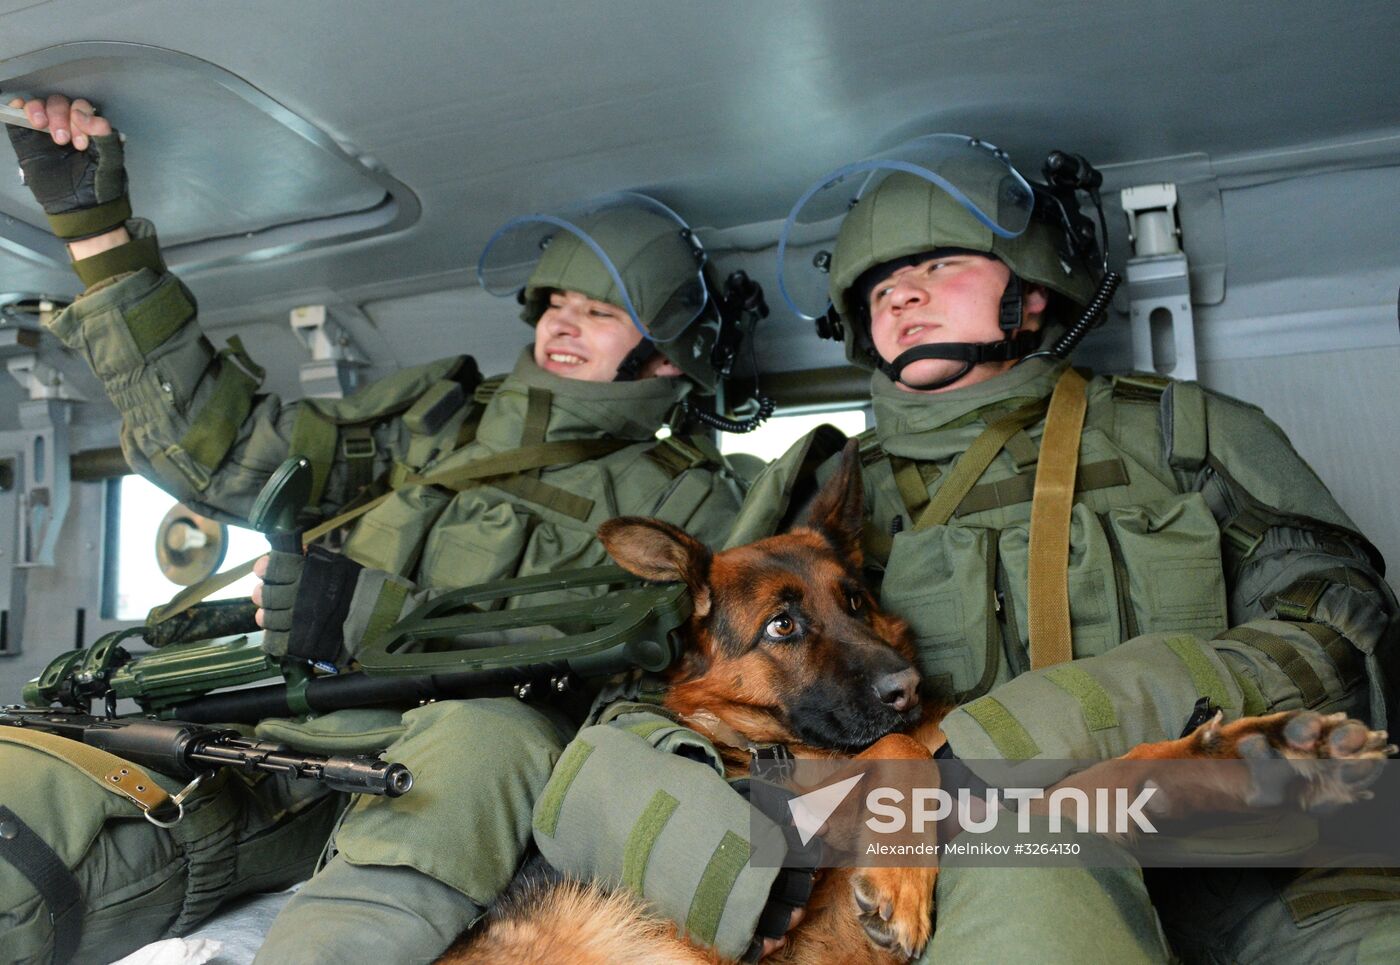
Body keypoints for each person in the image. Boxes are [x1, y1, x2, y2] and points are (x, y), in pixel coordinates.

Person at [530, 135, 1400, 962]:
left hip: (1249, 858)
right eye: (879, 288)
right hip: (964, 861)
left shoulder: (1180, 430)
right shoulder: (814, 488)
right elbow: (691, 689)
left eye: (939, 264)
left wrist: (1012, 738)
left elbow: (1337, 629)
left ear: (1030, 288)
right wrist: (746, 865)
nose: (903, 294)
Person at [0, 93, 773, 965]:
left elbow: (660, 684)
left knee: (487, 743)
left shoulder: (702, 505)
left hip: (448, 777)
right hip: (259, 720)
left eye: (598, 312)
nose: (560, 320)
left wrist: (378, 620)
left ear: (670, 351)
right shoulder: (437, 416)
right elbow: (228, 456)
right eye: (555, 300)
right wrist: (102, 241)